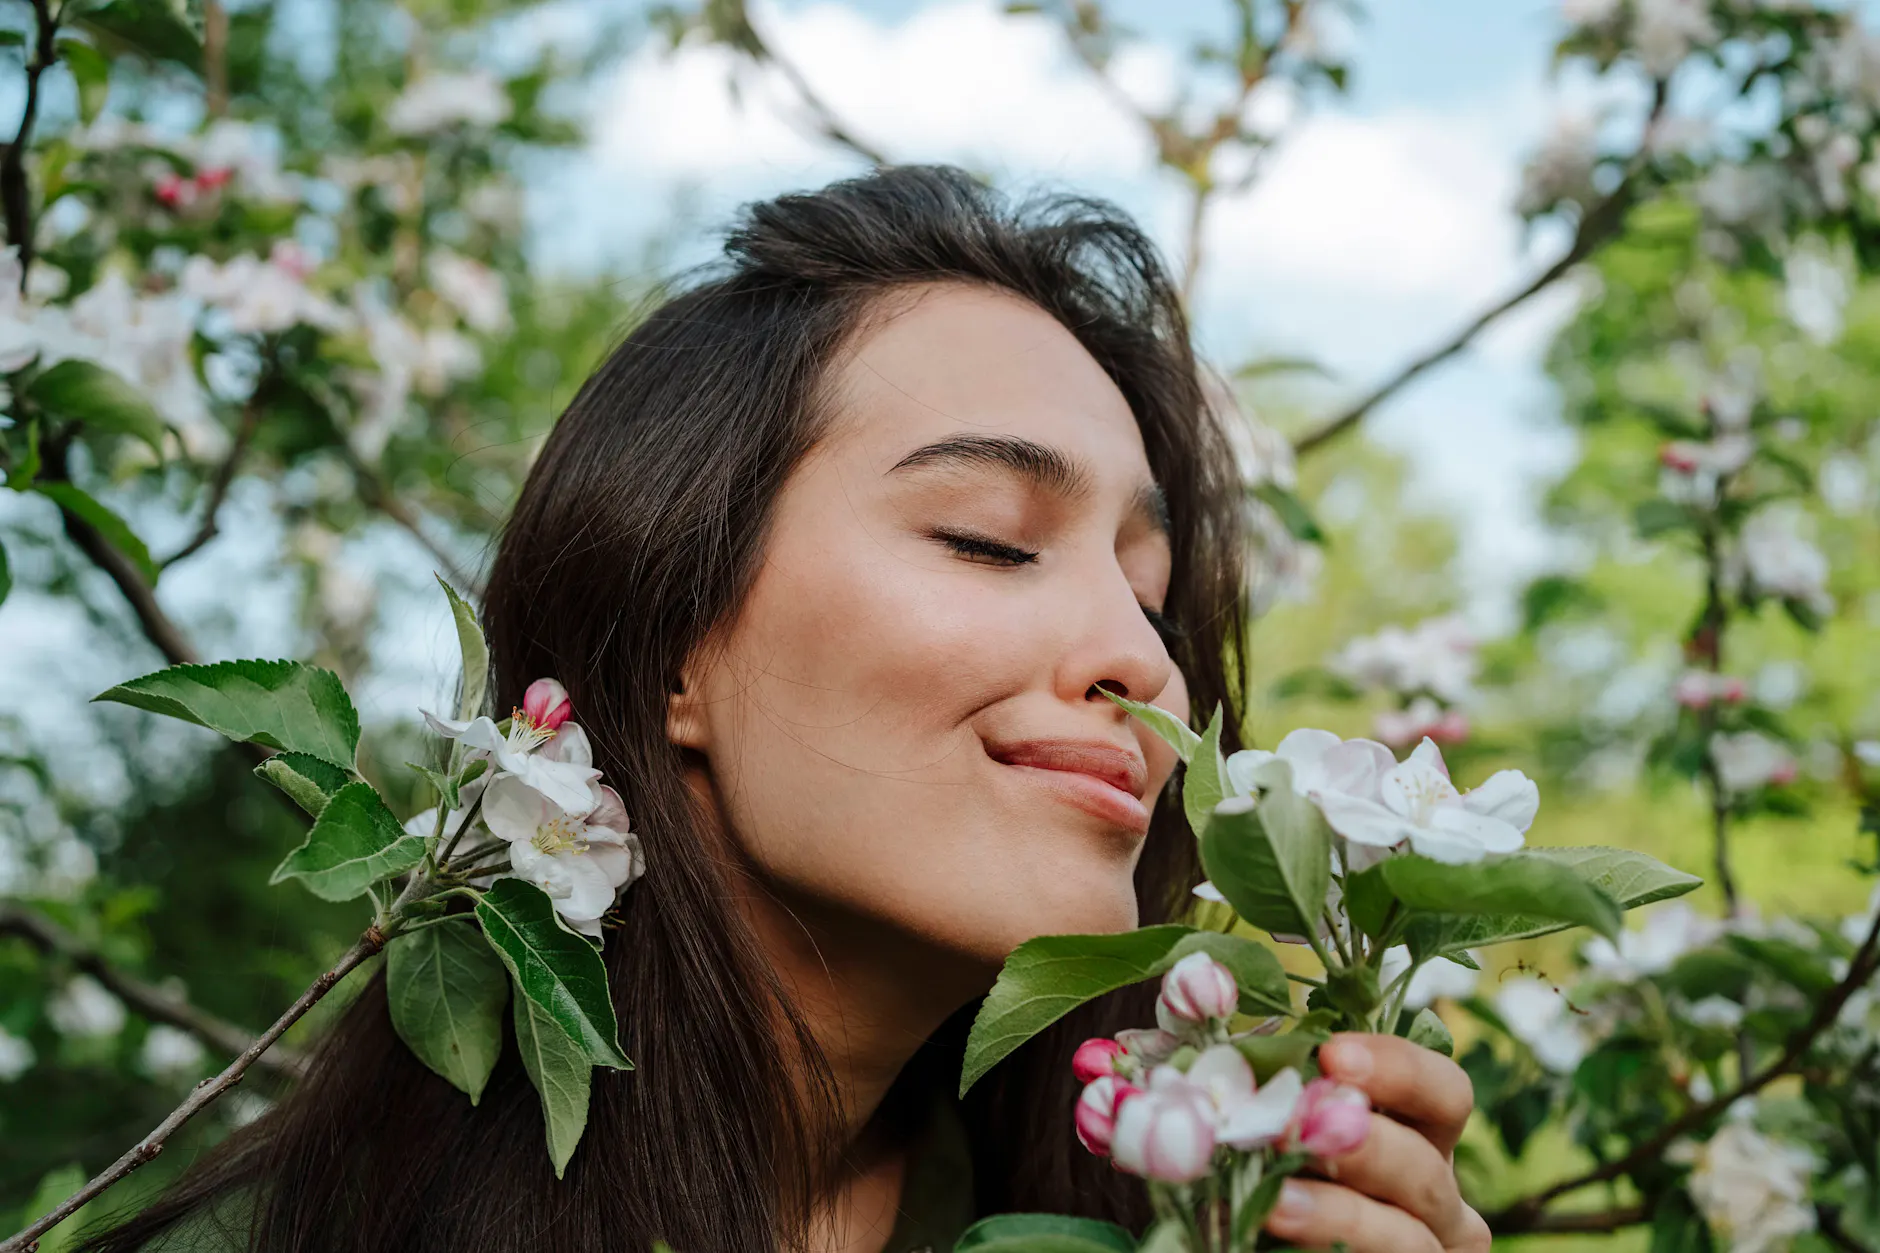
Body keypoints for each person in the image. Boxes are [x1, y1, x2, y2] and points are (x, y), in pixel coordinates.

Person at [84, 165, 1489, 1253]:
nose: (1142, 662)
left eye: (1155, 601)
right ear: (671, 641)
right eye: (990, 539)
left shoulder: (1153, 1213)